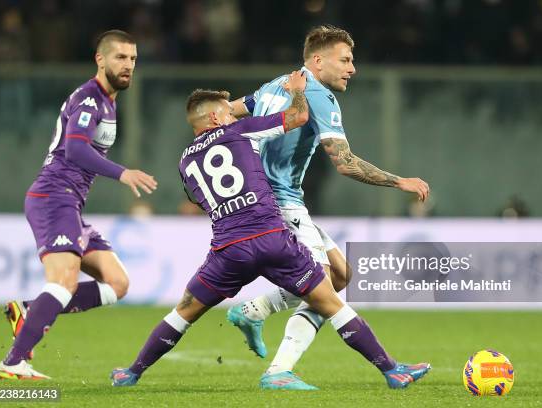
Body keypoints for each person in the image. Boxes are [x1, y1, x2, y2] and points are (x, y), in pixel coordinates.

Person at [110, 76, 430, 390]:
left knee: (184, 311)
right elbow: (298, 117)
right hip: (271, 238)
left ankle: (131, 372)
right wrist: (297, 92)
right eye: (225, 110)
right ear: (213, 117)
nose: (231, 113)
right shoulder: (239, 131)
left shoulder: (185, 160)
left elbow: (198, 199)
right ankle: (391, 370)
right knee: (331, 302)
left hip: (228, 249)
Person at [226, 25, 430, 389]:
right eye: (346, 60)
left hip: (270, 199)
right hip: (279, 203)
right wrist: (400, 181)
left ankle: (253, 310)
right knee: (319, 283)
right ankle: (281, 371)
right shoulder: (318, 96)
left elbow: (228, 112)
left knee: (339, 275)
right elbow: (345, 162)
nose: (352, 68)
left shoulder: (277, 84)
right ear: (318, 62)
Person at [0, 30, 158, 380]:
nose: (128, 65)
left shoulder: (109, 100)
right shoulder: (89, 99)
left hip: (70, 203)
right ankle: (13, 362)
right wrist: (122, 173)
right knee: (64, 281)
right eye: (120, 58)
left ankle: (30, 310)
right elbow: (76, 149)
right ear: (100, 59)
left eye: (132, 59)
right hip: (54, 197)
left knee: (118, 283)